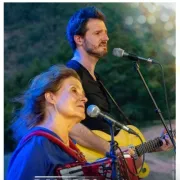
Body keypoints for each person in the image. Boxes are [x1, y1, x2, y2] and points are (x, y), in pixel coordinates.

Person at [66, 6, 173, 168]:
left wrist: (155, 145)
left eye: (105, 32)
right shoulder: (71, 75)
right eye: (97, 33)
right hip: (90, 167)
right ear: (79, 39)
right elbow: (69, 125)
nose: (106, 38)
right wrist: (110, 150)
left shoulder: (97, 79)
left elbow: (120, 145)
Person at [7, 65, 88, 180]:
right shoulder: (36, 146)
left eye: (83, 93)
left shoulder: (69, 147)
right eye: (74, 90)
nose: (84, 98)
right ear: (51, 97)